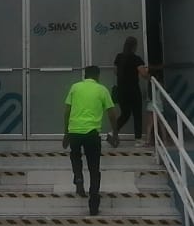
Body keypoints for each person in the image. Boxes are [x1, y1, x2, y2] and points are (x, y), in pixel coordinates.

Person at [61, 65, 119, 216]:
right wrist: (115, 133)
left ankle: (78, 177)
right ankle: (93, 203)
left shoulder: (75, 88)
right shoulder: (102, 90)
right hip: (92, 134)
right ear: (97, 76)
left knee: (75, 155)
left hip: (75, 131)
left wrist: (66, 133)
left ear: (85, 75)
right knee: (94, 168)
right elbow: (112, 113)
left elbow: (67, 111)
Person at [112, 36, 150, 144]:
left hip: (121, 90)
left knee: (125, 114)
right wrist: (150, 76)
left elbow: (115, 72)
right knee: (137, 114)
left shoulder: (119, 57)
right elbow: (143, 74)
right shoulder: (136, 59)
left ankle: (114, 131)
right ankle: (138, 139)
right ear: (134, 46)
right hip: (133, 90)